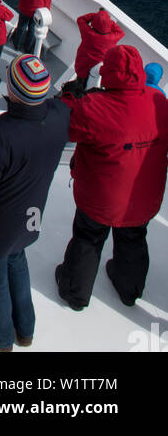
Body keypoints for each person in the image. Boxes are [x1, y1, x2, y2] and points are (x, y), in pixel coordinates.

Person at [0, 55, 70, 351]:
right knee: (17, 261)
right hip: (30, 219)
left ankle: (0, 337)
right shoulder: (60, 115)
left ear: (13, 92)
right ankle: (25, 330)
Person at [55, 44, 168, 311]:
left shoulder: (95, 106)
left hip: (100, 198)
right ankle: (129, 290)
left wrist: (70, 99)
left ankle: (76, 294)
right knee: (133, 239)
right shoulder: (159, 102)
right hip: (144, 198)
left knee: (88, 240)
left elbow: (67, 130)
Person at [70, 9, 124, 92]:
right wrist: (109, 22)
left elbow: (81, 19)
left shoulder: (88, 33)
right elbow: (121, 32)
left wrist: (95, 16)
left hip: (83, 63)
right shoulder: (112, 38)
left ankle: (77, 91)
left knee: (80, 81)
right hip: (99, 65)